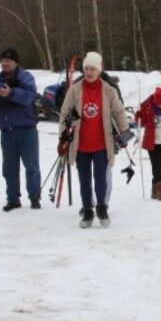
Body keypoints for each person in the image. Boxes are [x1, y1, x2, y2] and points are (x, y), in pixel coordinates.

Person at [59, 51, 132, 228]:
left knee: (100, 178)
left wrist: (124, 132)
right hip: (81, 145)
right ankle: (87, 210)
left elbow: (119, 112)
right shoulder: (75, 90)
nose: (89, 72)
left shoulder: (108, 90)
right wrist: (64, 135)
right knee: (84, 179)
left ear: (99, 70)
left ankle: (101, 207)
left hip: (101, 144)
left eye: (92, 69)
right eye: (86, 69)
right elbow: (65, 113)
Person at [0, 46, 42, 210]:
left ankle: (34, 197)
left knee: (31, 165)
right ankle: (13, 199)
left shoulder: (26, 77)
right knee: (9, 168)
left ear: (16, 62)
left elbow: (29, 96)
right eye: (3, 60)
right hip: (6, 130)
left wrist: (11, 93)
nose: (5, 63)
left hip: (26, 128)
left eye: (8, 60)